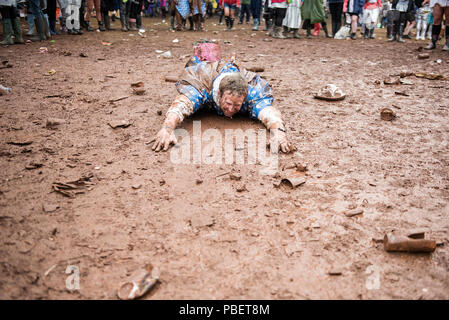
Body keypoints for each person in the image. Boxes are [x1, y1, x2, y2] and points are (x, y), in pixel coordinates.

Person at [151, 50, 293, 153]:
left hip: (235, 73)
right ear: (219, 94)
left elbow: (269, 113)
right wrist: (167, 129)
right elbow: (181, 105)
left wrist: (279, 133)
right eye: (228, 103)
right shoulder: (202, 88)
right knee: (198, 59)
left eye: (237, 105)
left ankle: (229, 59)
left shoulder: (253, 93)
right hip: (208, 71)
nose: (231, 109)